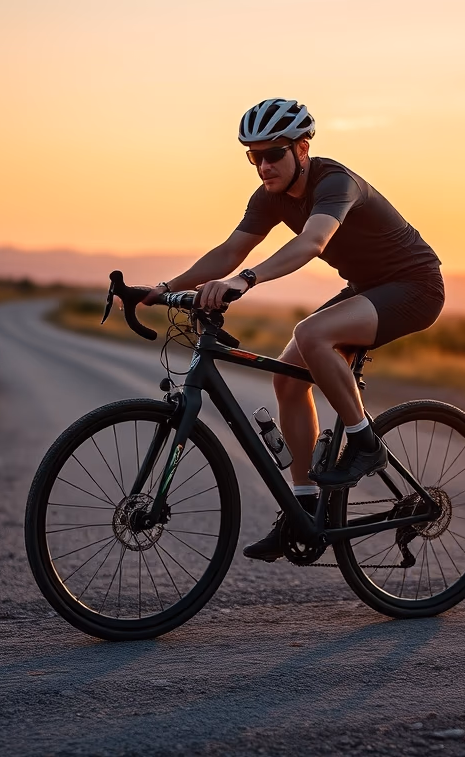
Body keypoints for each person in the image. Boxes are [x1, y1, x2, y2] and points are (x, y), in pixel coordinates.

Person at [140, 98, 445, 562]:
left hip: (415, 287)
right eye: (253, 156)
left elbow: (312, 242)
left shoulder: (335, 182)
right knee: (286, 376)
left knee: (311, 333)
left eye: (273, 153)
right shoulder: (270, 198)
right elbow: (228, 253)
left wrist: (244, 281)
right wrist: (162, 289)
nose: (263, 166)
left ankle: (365, 444)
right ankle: (301, 511)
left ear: (302, 148)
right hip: (368, 287)